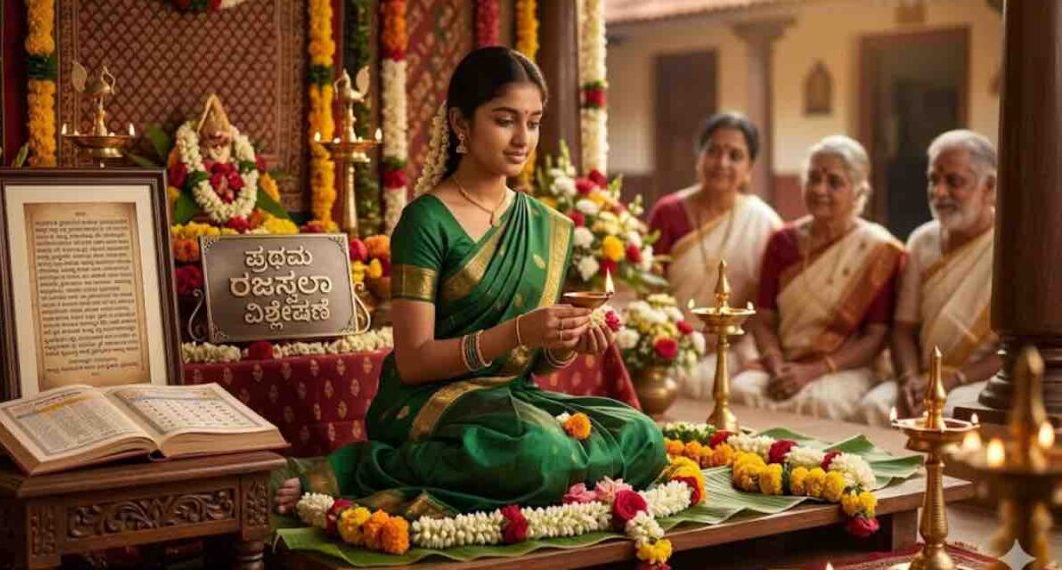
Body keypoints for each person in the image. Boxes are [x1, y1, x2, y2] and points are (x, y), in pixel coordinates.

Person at [272, 47, 665, 518]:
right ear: (461, 124)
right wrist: (520, 330)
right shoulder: (427, 221)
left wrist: (566, 342)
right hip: (429, 401)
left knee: (642, 435)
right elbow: (414, 361)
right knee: (539, 452)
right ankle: (367, 468)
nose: (523, 138)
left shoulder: (546, 225)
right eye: (505, 120)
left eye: (534, 122)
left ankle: (520, 471)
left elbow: (536, 367)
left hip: (512, 403)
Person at [731, 135, 904, 420]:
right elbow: (763, 318)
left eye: (834, 182)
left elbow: (875, 337)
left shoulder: (878, 249)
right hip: (784, 363)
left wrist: (815, 370)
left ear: (859, 192)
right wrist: (776, 366)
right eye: (813, 178)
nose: (820, 189)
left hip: (845, 367)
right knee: (742, 392)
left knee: (821, 402)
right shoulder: (782, 242)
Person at [858, 130, 1000, 425]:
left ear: (990, 186)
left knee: (948, 416)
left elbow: (1020, 348)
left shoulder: (1013, 247)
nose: (939, 192)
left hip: (980, 380)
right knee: (873, 408)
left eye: (954, 181)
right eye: (933, 180)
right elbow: (902, 329)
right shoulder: (922, 241)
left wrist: (952, 380)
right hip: (923, 376)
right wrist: (909, 379)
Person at [648, 113, 782, 400]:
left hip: (735, 342)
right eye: (714, 151)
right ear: (699, 156)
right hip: (673, 339)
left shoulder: (763, 222)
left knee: (734, 387)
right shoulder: (668, 212)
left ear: (748, 169)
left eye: (735, 155)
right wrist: (682, 340)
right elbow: (650, 292)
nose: (722, 163)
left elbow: (766, 305)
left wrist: (715, 340)